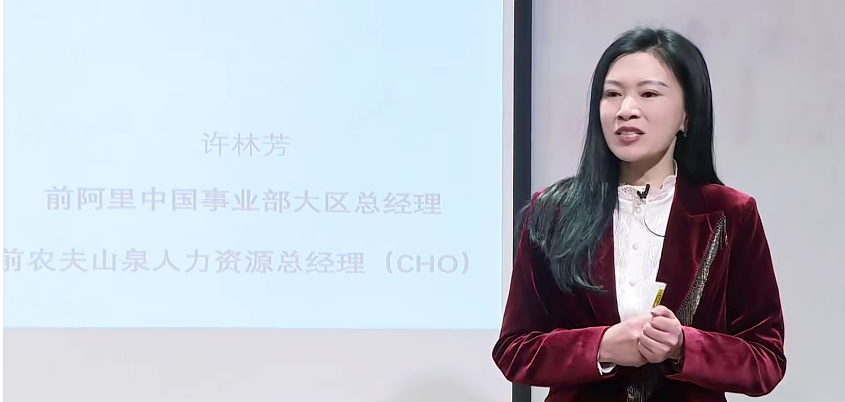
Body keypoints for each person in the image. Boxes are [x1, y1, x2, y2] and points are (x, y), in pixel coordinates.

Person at [492, 27, 786, 401]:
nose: (626, 109)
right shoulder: (553, 211)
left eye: (648, 94)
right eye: (612, 94)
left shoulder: (730, 213)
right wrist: (601, 346)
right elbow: (515, 349)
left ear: (687, 115)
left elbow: (765, 360)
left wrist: (684, 346)